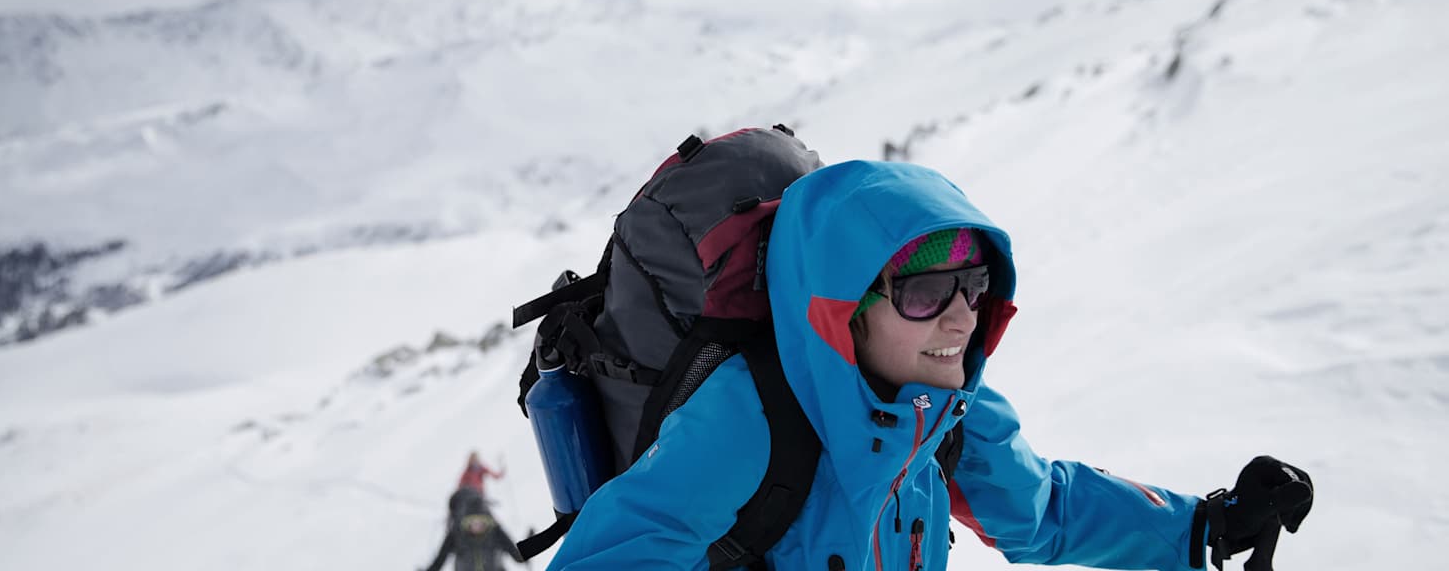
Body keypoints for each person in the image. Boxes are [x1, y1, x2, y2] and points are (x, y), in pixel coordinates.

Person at [546, 160, 1313, 570]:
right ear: (845, 308)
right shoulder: (750, 420)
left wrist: (1205, 528)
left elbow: (1043, 512)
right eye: (923, 291)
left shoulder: (951, 414)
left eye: (975, 286)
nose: (960, 316)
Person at [421, 487, 523, 571]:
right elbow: (439, 561)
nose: (477, 526)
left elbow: (518, 555)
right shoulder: (456, 534)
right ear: (466, 523)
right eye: (472, 522)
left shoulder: (495, 531)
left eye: (481, 522)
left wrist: (535, 543)